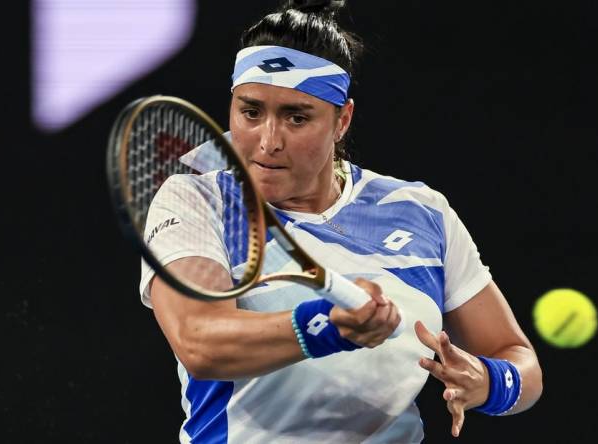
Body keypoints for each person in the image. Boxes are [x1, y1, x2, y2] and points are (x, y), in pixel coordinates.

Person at [140, 1, 543, 442]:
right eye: (251, 112)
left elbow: (518, 359)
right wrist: (329, 327)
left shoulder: (422, 210)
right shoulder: (199, 200)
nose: (268, 141)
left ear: (341, 120)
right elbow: (200, 341)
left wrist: (489, 382)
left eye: (297, 117)